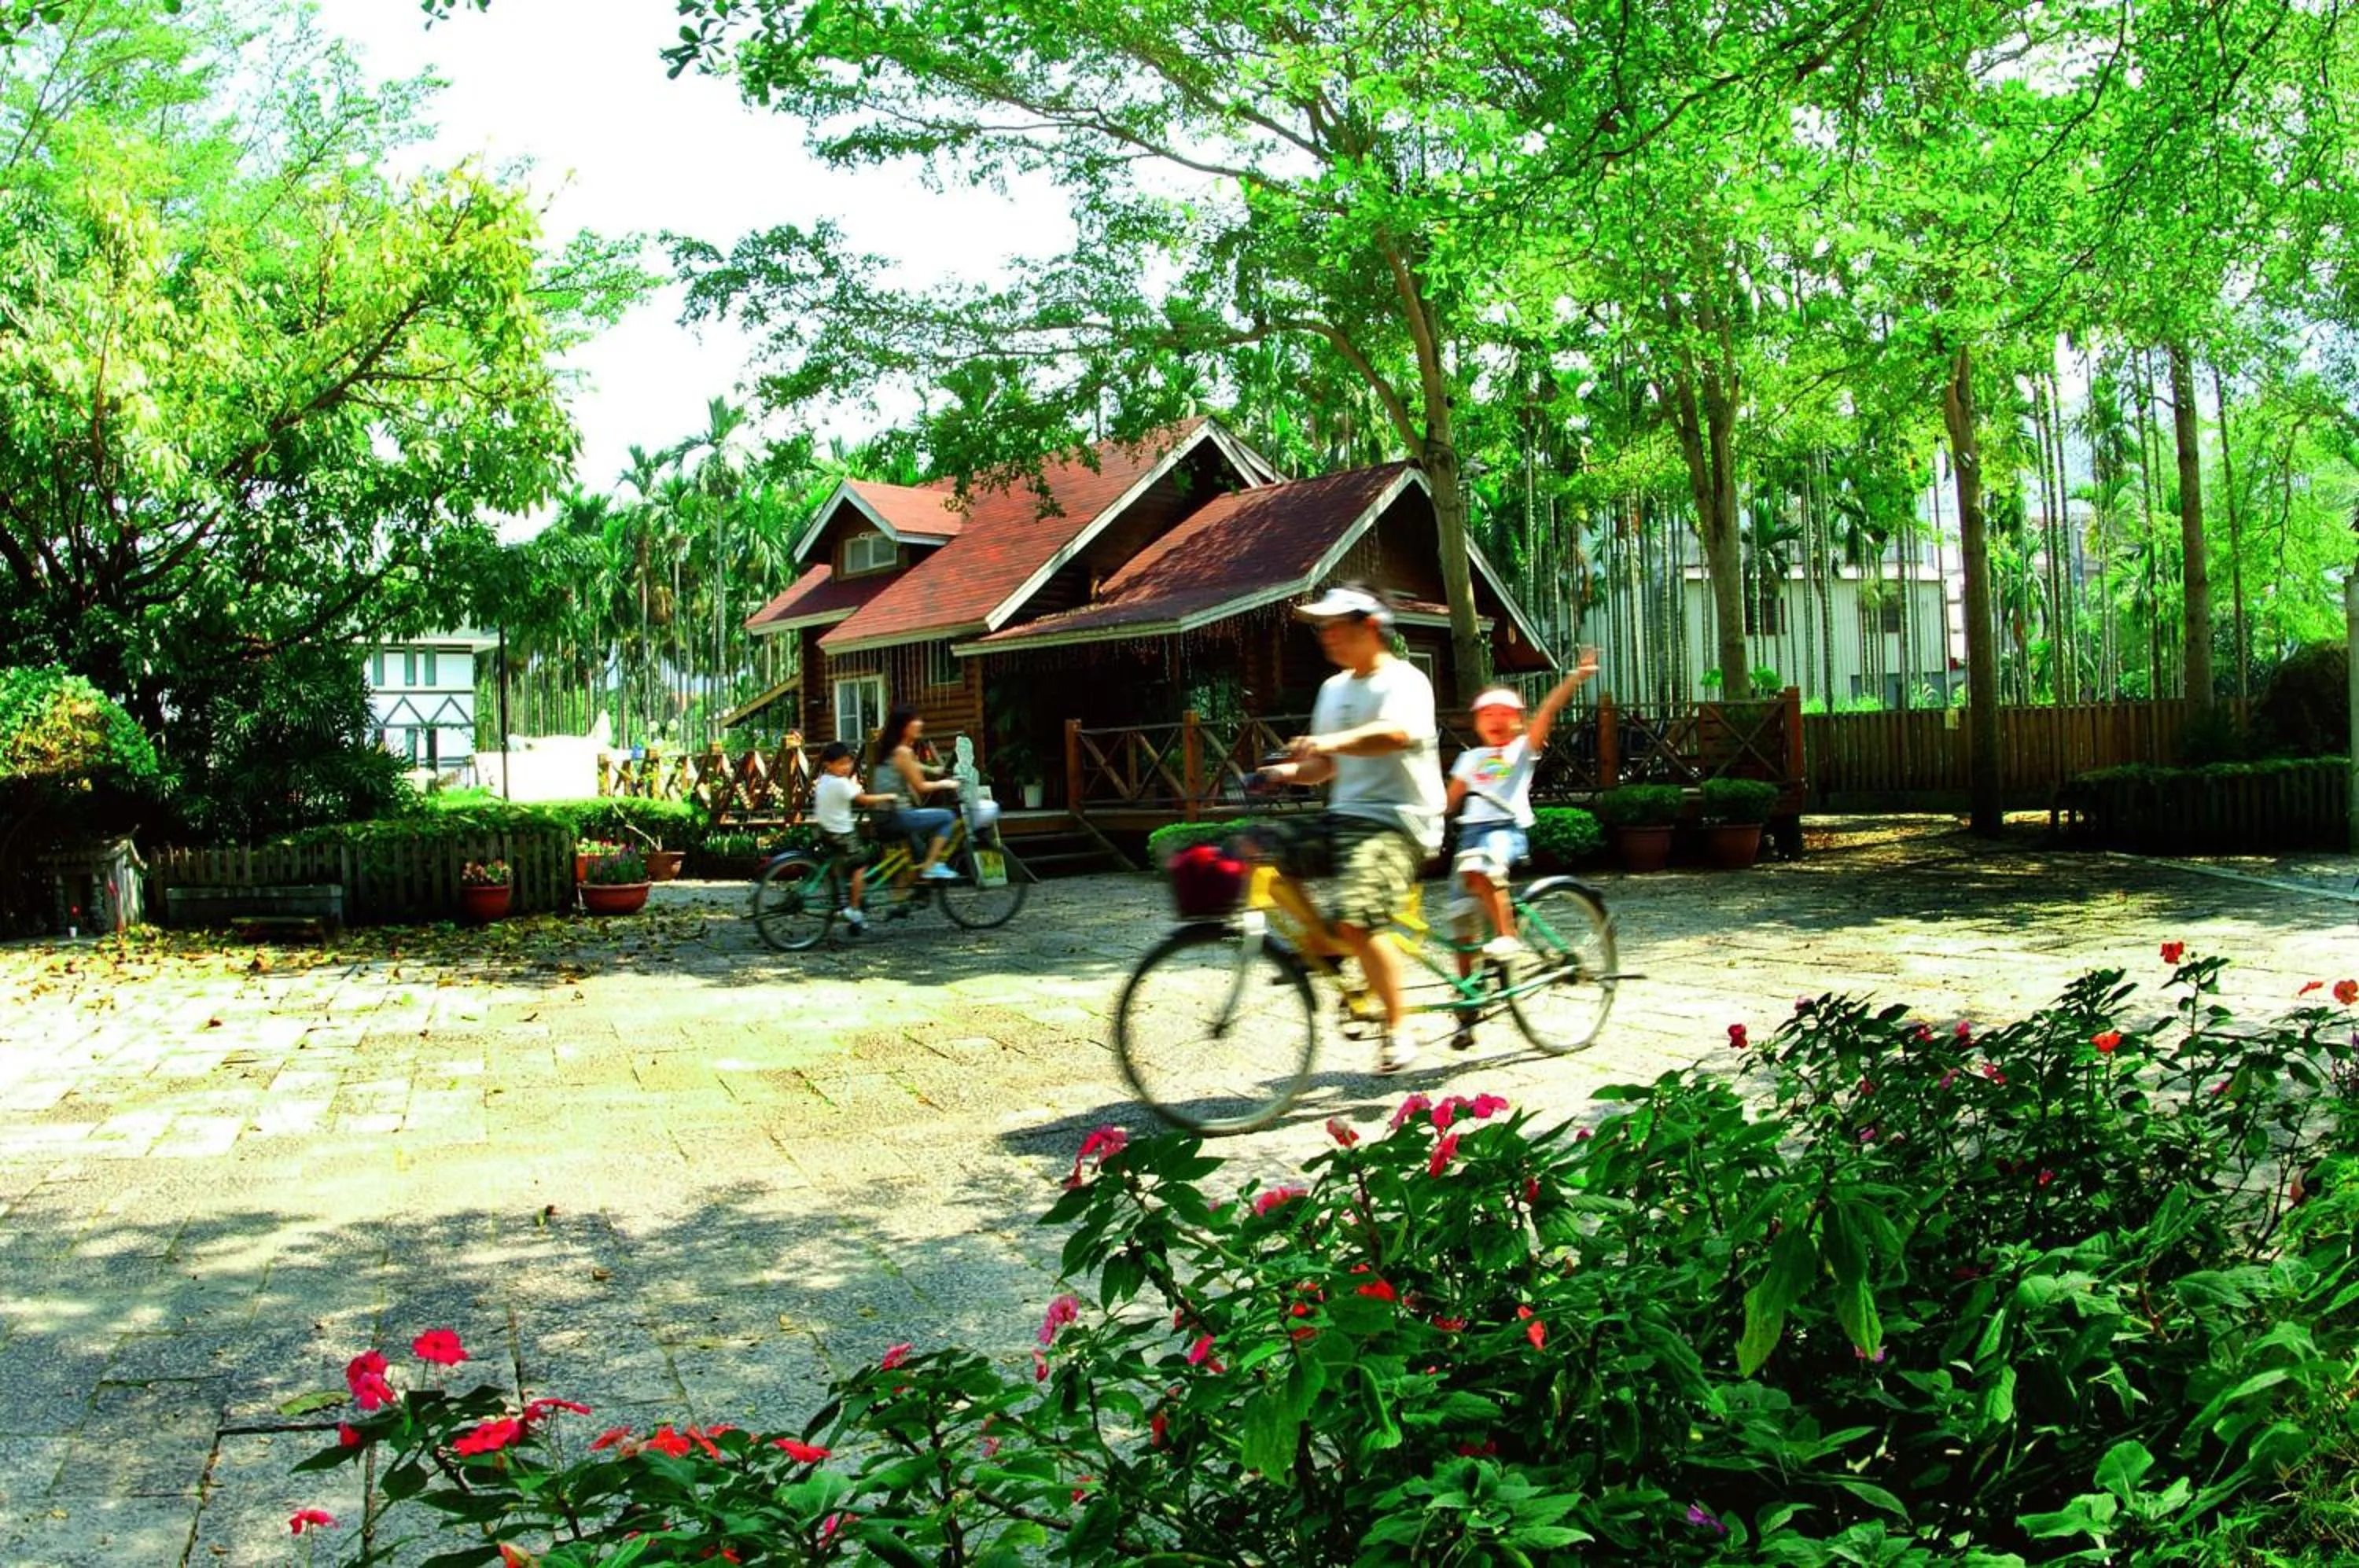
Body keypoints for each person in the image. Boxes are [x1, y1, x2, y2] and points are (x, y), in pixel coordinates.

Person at [1254, 583, 1446, 1075]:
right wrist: (1283, 773)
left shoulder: (1405, 681)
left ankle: (1399, 1028)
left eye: (1337, 626)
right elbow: (1325, 768)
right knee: (1259, 854)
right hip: (1344, 818)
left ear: (1372, 627)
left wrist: (1329, 740)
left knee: (1358, 918)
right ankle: (1331, 947)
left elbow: (1394, 736)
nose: (1327, 636)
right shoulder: (1333, 689)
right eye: (1324, 628)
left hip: (1398, 821)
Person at [1442, 647, 1601, 1046]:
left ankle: (1507, 936)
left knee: (1482, 865)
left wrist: (1574, 678)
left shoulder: (1521, 751)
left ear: (1518, 721)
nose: (1495, 722)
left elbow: (1548, 710)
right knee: (1461, 924)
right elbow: (1448, 802)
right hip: (1469, 838)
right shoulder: (1469, 759)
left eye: (1504, 715)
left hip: (1504, 831)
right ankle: (1468, 1007)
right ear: (1476, 723)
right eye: (1486, 716)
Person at [811, 740, 896, 931]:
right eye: (841, 763)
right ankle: (854, 908)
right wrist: (887, 797)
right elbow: (864, 799)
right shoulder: (841, 784)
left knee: (838, 868)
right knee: (860, 865)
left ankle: (843, 904)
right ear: (829, 764)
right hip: (842, 833)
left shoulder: (824, 781)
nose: (846, 767)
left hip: (826, 830)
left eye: (848, 763)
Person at [871, 706, 962, 882]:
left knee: (911, 859)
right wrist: (945, 783)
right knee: (947, 817)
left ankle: (901, 904)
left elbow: (912, 766)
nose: (920, 723)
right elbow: (921, 786)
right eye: (915, 720)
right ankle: (931, 866)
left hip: (881, 814)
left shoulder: (893, 750)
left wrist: (934, 769)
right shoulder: (904, 752)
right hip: (896, 816)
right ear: (904, 727)